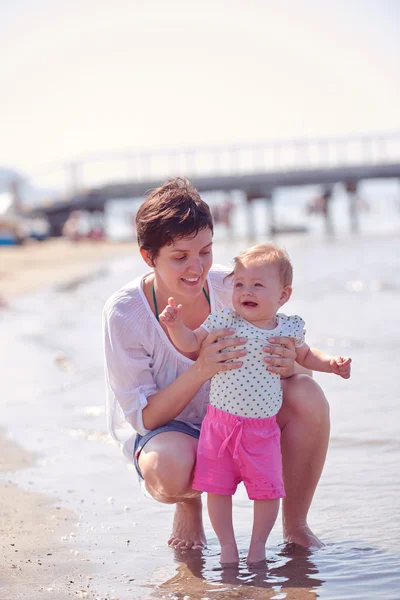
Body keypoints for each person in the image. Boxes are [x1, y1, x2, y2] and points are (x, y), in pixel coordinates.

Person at [103, 177, 331, 553]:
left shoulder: (237, 286)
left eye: (205, 252)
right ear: (148, 256)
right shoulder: (126, 314)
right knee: (169, 470)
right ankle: (188, 504)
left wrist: (291, 364)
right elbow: (144, 418)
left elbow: (299, 370)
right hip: (173, 431)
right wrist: (201, 369)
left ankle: (296, 526)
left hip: (245, 418)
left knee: (309, 395)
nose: (197, 268)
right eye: (180, 257)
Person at [159, 243, 351, 564]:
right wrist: (175, 326)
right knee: (218, 490)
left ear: (283, 295)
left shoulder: (288, 328)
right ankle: (228, 548)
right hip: (220, 427)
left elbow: (306, 356)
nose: (245, 291)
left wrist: (332, 364)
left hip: (262, 431)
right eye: (239, 284)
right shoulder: (224, 320)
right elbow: (191, 344)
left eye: (258, 285)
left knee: (268, 491)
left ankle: (257, 547)